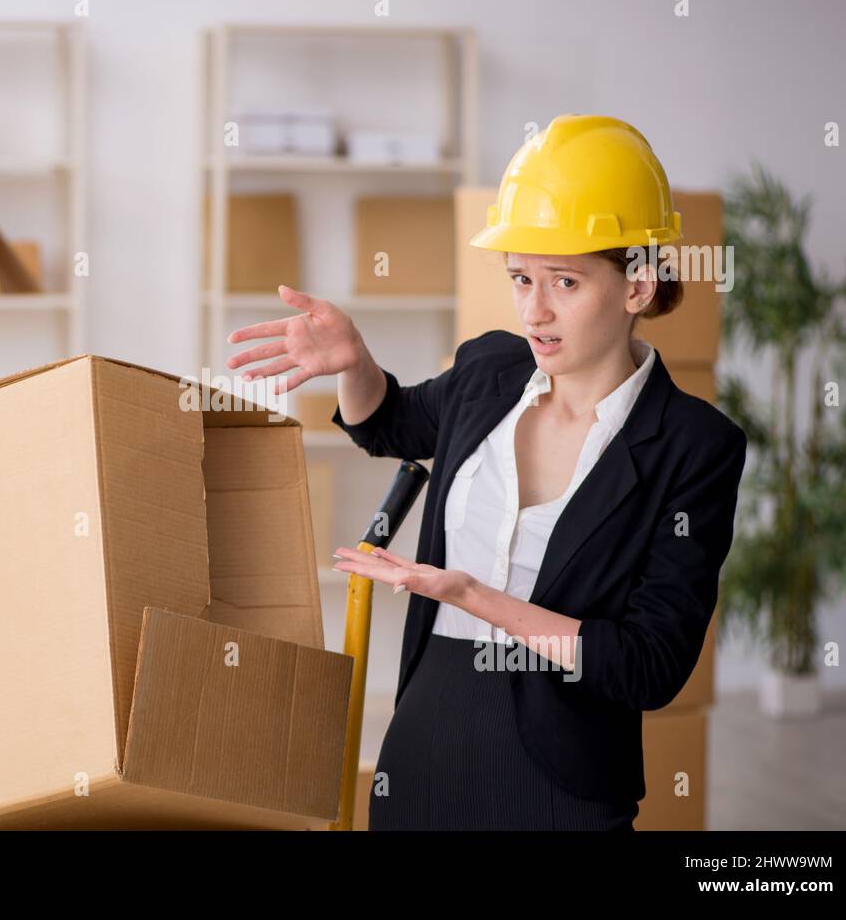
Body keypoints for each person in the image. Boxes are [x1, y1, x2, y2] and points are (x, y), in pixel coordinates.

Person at [226, 114, 747, 830]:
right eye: (520, 278)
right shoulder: (490, 371)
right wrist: (356, 364)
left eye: (565, 280)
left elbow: (649, 665)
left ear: (637, 285)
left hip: (565, 779)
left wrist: (475, 595)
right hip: (426, 739)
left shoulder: (693, 444)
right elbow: (390, 424)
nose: (536, 309)